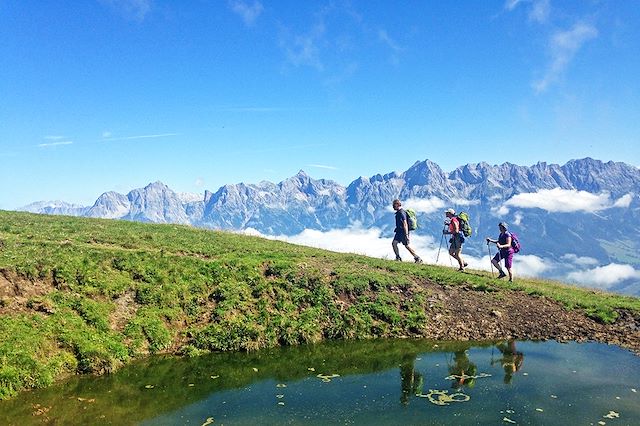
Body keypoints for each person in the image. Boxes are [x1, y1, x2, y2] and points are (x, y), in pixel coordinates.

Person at [392, 199, 423, 263]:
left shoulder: (401, 212)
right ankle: (398, 257)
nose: (393, 206)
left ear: (397, 204)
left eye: (394, 205)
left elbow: (405, 223)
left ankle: (417, 258)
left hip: (403, 232)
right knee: (394, 243)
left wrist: (406, 235)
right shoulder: (399, 212)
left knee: (407, 246)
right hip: (399, 232)